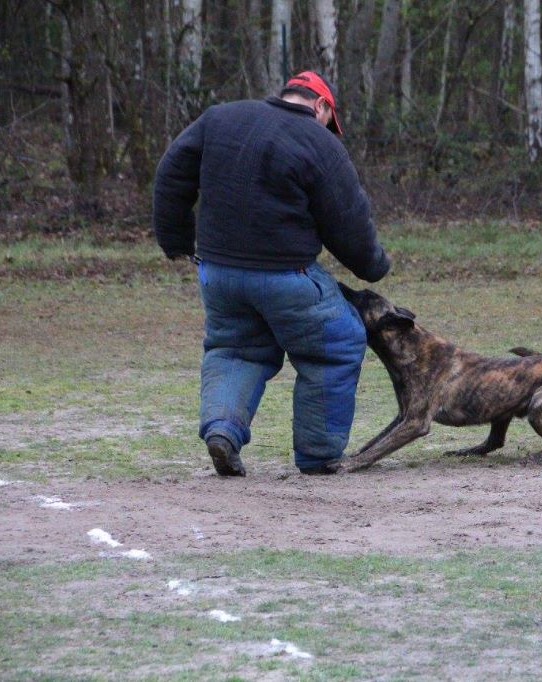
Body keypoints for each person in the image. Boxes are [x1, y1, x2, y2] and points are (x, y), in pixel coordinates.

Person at [153, 70, 390, 477]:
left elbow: (170, 174)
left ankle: (223, 431)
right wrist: (373, 266)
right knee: (336, 344)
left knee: (234, 349)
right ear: (321, 106)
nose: (329, 131)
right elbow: (348, 220)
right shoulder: (320, 142)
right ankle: (318, 455)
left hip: (219, 275)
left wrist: (177, 241)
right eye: (329, 122)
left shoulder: (219, 118)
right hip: (286, 277)